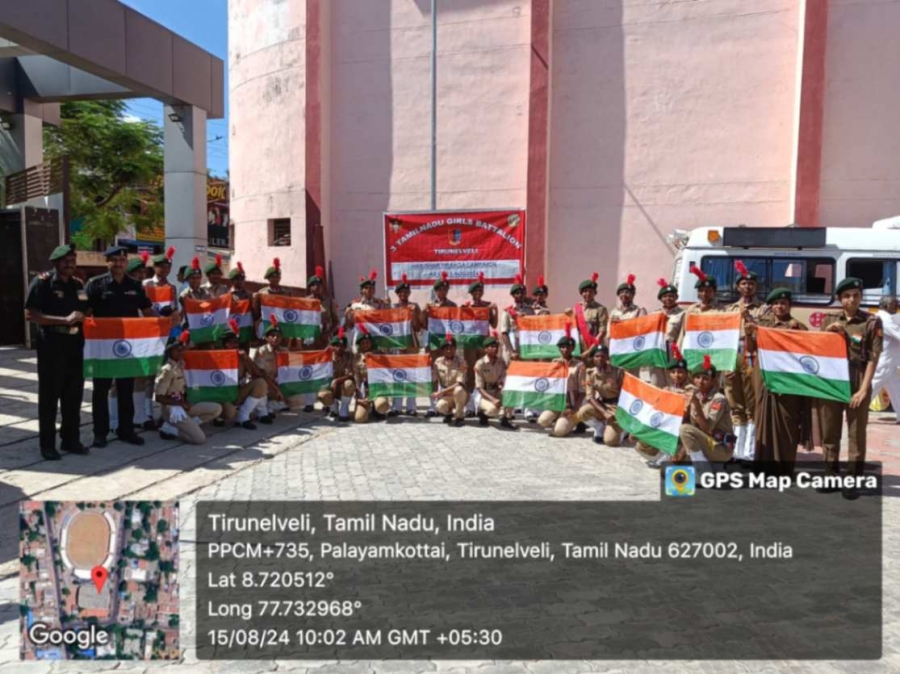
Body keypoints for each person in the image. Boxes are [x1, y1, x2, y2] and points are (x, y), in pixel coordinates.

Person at [85, 245, 160, 448]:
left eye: (122, 260)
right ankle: (100, 432)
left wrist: (164, 322)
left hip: (128, 347)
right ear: (107, 262)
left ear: (126, 263)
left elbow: (148, 311)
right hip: (103, 348)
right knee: (100, 390)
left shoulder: (135, 286)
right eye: (114, 260)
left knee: (126, 389)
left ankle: (126, 430)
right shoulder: (95, 285)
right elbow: (86, 313)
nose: (118, 264)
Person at [818, 277, 883, 499]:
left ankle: (853, 480)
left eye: (856, 295)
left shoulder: (871, 322)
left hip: (858, 376)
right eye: (846, 296)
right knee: (830, 431)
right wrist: (828, 332)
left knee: (856, 433)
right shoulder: (829, 318)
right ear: (839, 299)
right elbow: (816, 348)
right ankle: (830, 476)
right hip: (832, 378)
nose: (851, 300)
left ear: (861, 297)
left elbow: (873, 359)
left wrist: (864, 390)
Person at [24, 244, 90, 460]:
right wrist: (63, 320)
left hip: (74, 345)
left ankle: (70, 440)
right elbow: (31, 314)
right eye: (66, 261)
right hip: (52, 345)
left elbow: (86, 309)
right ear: (56, 263)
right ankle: (48, 445)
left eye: (73, 260)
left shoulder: (78, 284)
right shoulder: (42, 283)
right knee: (50, 397)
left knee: (73, 395)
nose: (70, 264)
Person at [743, 288, 809, 477]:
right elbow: (750, 349)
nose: (779, 307)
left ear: (789, 305)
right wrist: (748, 334)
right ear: (771, 306)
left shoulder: (798, 326)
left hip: (788, 380)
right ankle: (763, 467)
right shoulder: (762, 326)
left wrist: (797, 334)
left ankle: (784, 469)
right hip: (763, 376)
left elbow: (805, 352)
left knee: (788, 421)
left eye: (784, 303)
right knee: (763, 418)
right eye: (776, 303)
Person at [725, 260, 764, 464]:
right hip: (733, 354)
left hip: (752, 354)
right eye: (743, 283)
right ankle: (735, 449)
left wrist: (748, 317)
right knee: (734, 402)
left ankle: (749, 451)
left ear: (756, 287)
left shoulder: (763, 309)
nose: (747, 287)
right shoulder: (729, 308)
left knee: (751, 402)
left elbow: (763, 332)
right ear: (737, 286)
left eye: (751, 284)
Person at [154, 332, 223, 444]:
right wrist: (180, 404)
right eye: (177, 350)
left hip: (184, 404)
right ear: (170, 351)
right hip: (172, 410)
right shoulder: (167, 370)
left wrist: (188, 400)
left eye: (182, 350)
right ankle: (170, 429)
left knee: (217, 408)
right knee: (200, 439)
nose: (181, 352)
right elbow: (158, 397)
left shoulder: (182, 364)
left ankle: (189, 425)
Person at [678, 355, 735, 477]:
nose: (700, 381)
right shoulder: (696, 396)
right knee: (669, 468)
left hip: (720, 447)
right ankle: (707, 466)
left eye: (705, 378)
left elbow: (707, 429)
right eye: (697, 377)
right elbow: (688, 424)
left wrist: (696, 404)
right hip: (703, 442)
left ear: (713, 381)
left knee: (685, 429)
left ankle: (703, 471)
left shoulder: (719, 399)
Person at [643, 345, 695, 468]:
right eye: (674, 372)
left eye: (681, 372)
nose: (677, 375)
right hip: (669, 424)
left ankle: (670, 455)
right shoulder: (666, 389)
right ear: (669, 374)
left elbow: (685, 413)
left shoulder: (690, 391)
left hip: (685, 427)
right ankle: (662, 453)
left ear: (687, 374)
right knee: (641, 443)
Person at [218, 320, 270, 430]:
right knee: (230, 414)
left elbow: (257, 374)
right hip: (224, 396)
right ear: (224, 344)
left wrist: (247, 360)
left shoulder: (242, 358)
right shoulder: (218, 359)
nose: (234, 345)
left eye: (236, 342)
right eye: (230, 342)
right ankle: (220, 416)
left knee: (261, 383)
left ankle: (243, 415)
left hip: (238, 393)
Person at [537, 327, 586, 437]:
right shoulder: (555, 362)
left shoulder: (579, 365)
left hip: (571, 404)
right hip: (557, 403)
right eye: (562, 347)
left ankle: (577, 419)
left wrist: (574, 408)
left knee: (559, 432)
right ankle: (559, 417)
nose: (564, 350)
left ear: (572, 348)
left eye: (567, 347)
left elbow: (582, 391)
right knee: (543, 421)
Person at [463, 272, 498, 417]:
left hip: (483, 343)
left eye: (480, 291)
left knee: (482, 374)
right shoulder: (465, 306)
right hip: (469, 343)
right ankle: (470, 404)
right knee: (470, 374)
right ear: (471, 293)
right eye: (475, 291)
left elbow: (494, 325)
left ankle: (482, 403)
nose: (478, 293)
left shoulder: (486, 306)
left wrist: (494, 310)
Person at [422, 271, 456, 417]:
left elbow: (457, 324)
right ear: (436, 291)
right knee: (433, 373)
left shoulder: (452, 305)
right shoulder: (429, 305)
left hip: (447, 343)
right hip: (433, 342)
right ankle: (432, 404)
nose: (442, 291)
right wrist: (424, 312)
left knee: (447, 372)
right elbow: (423, 324)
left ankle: (446, 401)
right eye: (440, 289)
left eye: (445, 289)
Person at [576, 344, 624, 445]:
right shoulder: (590, 373)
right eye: (597, 356)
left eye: (602, 356)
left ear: (607, 357)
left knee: (610, 442)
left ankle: (624, 430)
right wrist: (604, 413)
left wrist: (618, 413)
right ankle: (599, 425)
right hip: (603, 404)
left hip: (617, 406)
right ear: (593, 358)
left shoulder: (618, 372)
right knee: (582, 412)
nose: (600, 359)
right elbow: (589, 396)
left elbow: (624, 394)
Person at [389, 274, 423, 416]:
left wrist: (414, 314)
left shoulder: (415, 307)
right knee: (397, 375)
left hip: (411, 345)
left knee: (411, 375)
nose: (403, 294)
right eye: (401, 292)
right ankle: (396, 406)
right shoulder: (392, 308)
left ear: (409, 293)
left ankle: (411, 406)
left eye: (406, 292)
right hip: (396, 345)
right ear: (397, 294)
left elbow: (418, 327)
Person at [252, 318, 298, 417]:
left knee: (297, 400)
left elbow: (293, 369)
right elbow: (261, 374)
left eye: (278, 336)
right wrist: (276, 389)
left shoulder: (284, 351)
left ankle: (270, 406)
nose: (275, 338)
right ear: (267, 338)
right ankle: (264, 408)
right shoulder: (261, 351)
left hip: (279, 385)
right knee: (262, 385)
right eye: (272, 336)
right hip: (266, 386)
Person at [609, 274, 648, 379]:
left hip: (632, 350)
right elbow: (609, 335)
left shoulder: (639, 311)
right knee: (617, 378)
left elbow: (641, 331)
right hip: (618, 351)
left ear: (633, 295)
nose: (624, 294)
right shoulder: (614, 312)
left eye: (627, 292)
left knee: (632, 378)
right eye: (621, 292)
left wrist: (623, 325)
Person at [473, 332, 516, 429]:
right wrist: (492, 399)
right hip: (483, 395)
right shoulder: (480, 364)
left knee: (511, 394)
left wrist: (501, 383)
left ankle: (505, 419)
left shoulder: (500, 362)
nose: (495, 349)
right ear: (485, 349)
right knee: (493, 410)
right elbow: (479, 388)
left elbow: (504, 376)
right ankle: (483, 413)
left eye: (496, 346)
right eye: (491, 347)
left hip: (496, 391)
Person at [648, 278, 685, 387]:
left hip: (672, 352)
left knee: (673, 383)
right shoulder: (654, 314)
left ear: (676, 297)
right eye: (665, 296)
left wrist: (678, 354)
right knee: (656, 383)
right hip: (656, 353)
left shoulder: (683, 314)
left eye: (671, 296)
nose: (668, 298)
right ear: (660, 298)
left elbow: (683, 334)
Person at [352, 327, 391, 422]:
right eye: (363, 343)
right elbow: (357, 380)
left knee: (381, 407)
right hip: (364, 390)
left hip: (378, 388)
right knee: (359, 419)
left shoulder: (379, 354)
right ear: (360, 344)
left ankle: (376, 407)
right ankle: (367, 407)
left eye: (368, 342)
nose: (366, 344)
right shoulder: (357, 358)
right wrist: (359, 398)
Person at [871, 295, 900, 423]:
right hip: (885, 361)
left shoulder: (881, 317)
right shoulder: (885, 320)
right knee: (872, 387)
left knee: (896, 389)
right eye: (895, 305)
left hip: (890, 362)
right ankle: (854, 411)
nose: (897, 308)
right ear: (887, 306)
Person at [317, 328, 356, 421]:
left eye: (342, 346)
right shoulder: (327, 357)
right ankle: (333, 407)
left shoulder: (349, 356)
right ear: (332, 346)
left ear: (345, 347)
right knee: (322, 394)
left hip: (343, 387)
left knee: (349, 384)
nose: (339, 348)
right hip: (330, 387)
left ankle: (344, 408)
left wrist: (337, 380)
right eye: (336, 345)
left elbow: (351, 374)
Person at [677, 266, 722, 345]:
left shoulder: (722, 310)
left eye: (708, 291)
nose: (704, 294)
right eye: (701, 290)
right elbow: (684, 332)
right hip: (693, 349)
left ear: (714, 292)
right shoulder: (691, 309)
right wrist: (678, 352)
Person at [432, 334, 469, 427]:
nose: (449, 350)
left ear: (455, 348)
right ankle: (448, 413)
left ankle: (459, 417)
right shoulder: (437, 362)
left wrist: (441, 392)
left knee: (459, 390)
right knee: (439, 406)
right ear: (442, 350)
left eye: (451, 347)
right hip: (446, 395)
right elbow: (435, 379)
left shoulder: (462, 362)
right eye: (446, 348)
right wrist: (435, 392)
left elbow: (459, 383)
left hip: (460, 394)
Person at [499, 274, 534, 365]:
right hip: (513, 348)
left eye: (522, 293)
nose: (520, 295)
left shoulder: (530, 310)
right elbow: (504, 333)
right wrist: (511, 352)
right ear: (513, 295)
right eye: (517, 293)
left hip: (526, 348)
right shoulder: (507, 312)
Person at [571, 272, 609, 349]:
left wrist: (591, 349)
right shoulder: (577, 307)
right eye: (585, 291)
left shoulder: (601, 309)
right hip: (579, 346)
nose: (588, 294)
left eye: (591, 291)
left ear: (595, 293)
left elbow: (602, 331)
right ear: (581, 293)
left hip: (595, 346)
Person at [307, 265, 341, 350]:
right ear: (310, 288)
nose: (317, 287)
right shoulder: (306, 301)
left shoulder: (328, 301)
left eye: (319, 285)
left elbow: (336, 321)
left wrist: (328, 333)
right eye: (314, 285)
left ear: (322, 287)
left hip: (325, 336)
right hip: (310, 337)